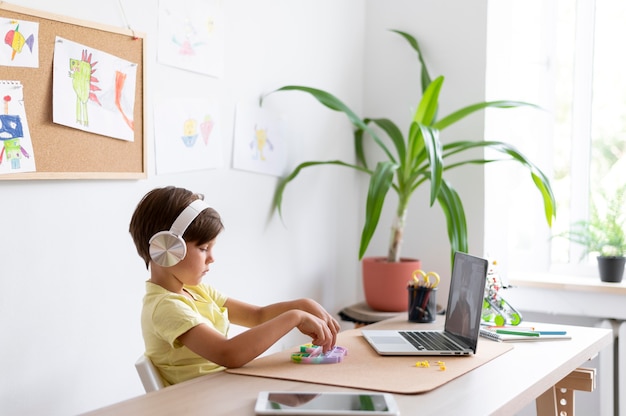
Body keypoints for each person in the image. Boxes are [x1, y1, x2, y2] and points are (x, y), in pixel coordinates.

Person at [129, 186, 340, 386]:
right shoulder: (166, 307)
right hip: (199, 402)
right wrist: (295, 317)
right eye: (203, 248)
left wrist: (303, 304)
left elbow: (256, 316)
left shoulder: (197, 291)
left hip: (222, 389)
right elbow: (228, 354)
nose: (212, 258)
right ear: (166, 249)